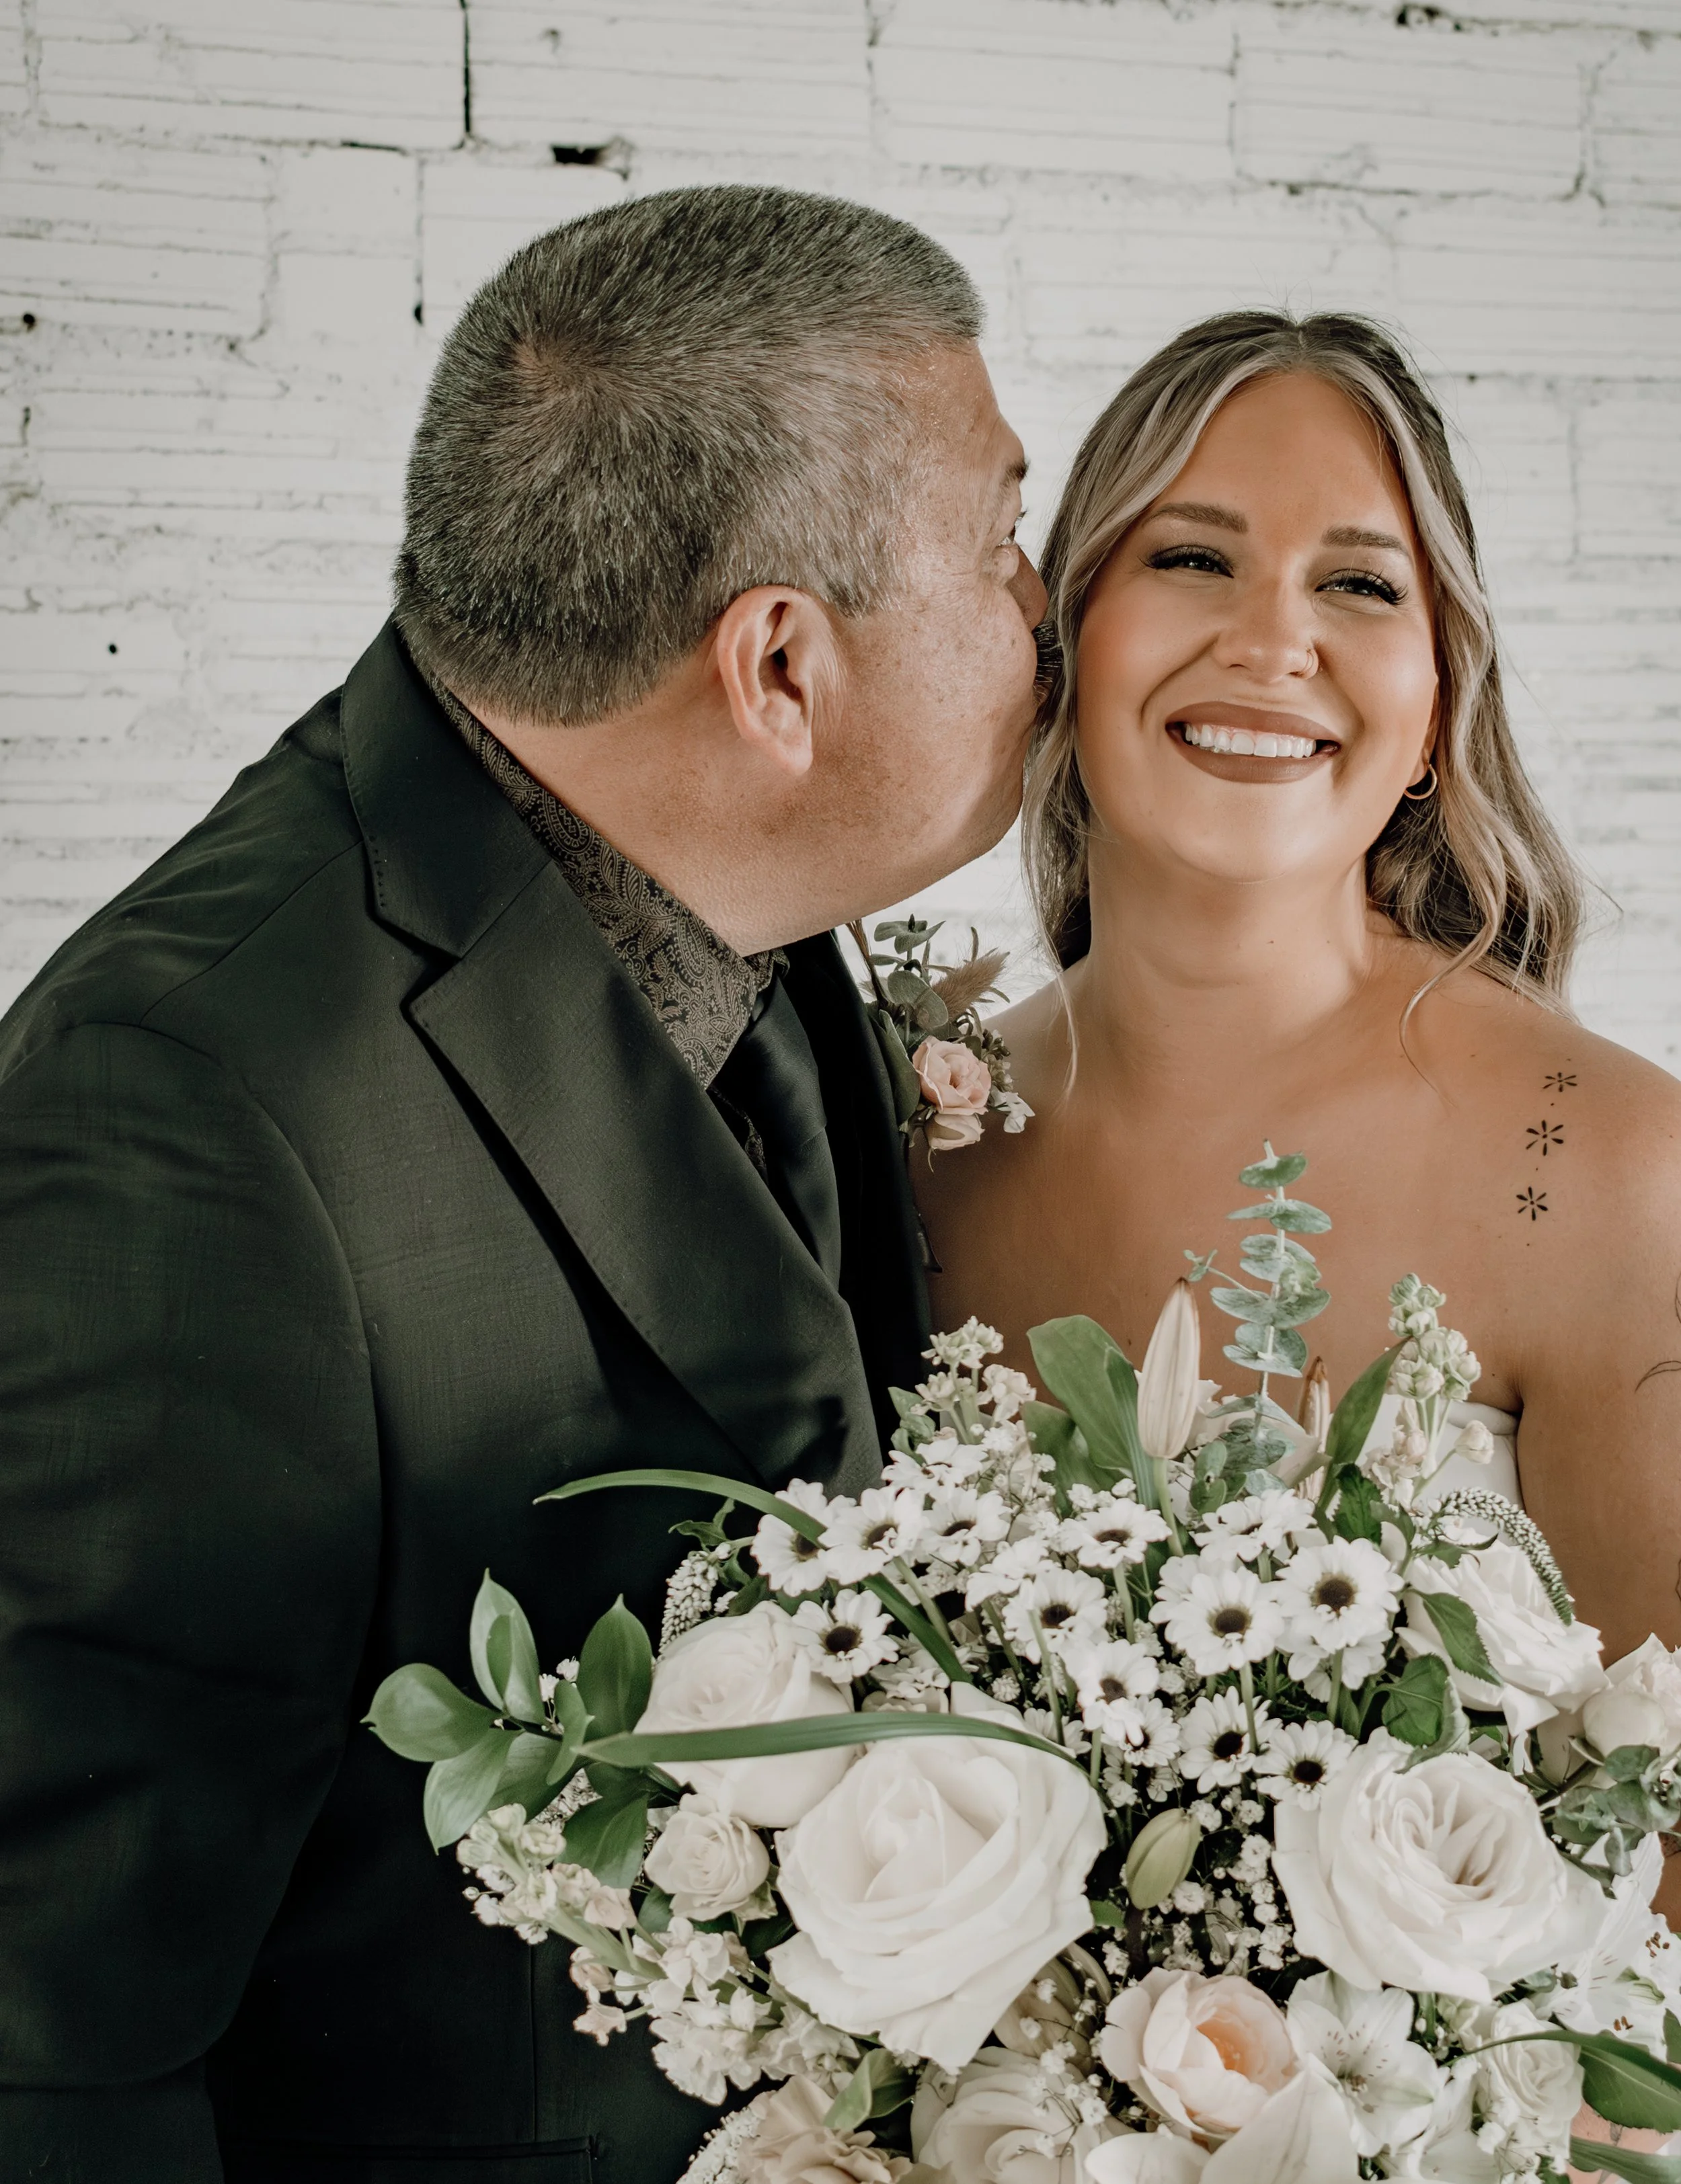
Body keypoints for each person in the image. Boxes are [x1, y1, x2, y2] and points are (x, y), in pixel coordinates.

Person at [0, 186, 1046, 2183]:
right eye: (1001, 540)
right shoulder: (185, 1120)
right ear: (777, 669)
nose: (1045, 603)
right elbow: (55, 2040)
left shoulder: (743, 890)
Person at [918, 309, 1681, 1690]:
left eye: (1360, 586)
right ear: (1066, 642)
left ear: (1433, 696)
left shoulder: (1614, 1165)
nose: (1271, 640)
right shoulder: (908, 1139)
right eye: (1192, 559)